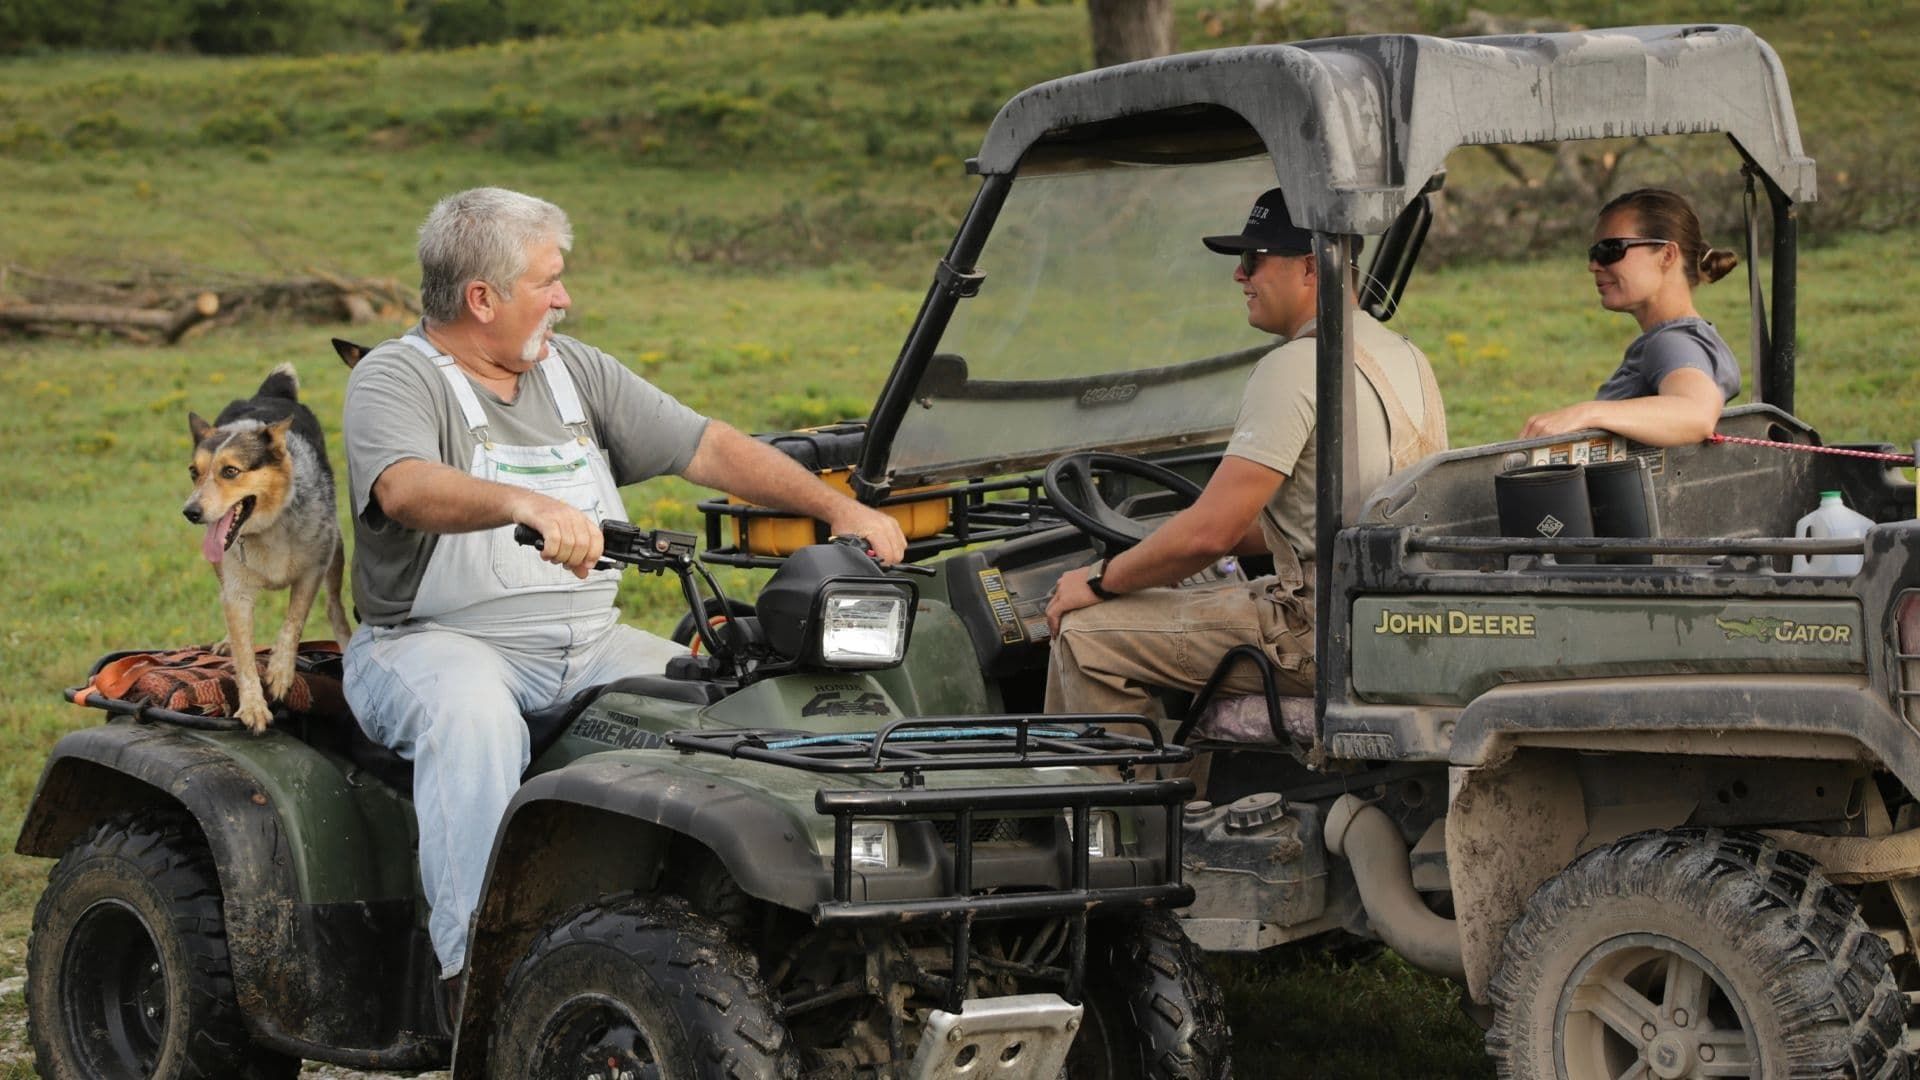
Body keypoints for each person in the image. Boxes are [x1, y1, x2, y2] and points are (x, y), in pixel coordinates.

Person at [340, 187, 907, 1013]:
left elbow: (707, 446)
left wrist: (838, 509)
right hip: (434, 645)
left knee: (730, 701)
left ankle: (741, 939)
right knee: (471, 720)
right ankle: (475, 983)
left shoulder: (575, 373)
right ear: (482, 298)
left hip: (591, 643)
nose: (565, 298)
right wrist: (519, 504)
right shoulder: (397, 377)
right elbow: (402, 487)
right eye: (549, 281)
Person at [1043, 187, 1446, 737]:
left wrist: (1098, 579)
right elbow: (1327, 514)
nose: (1240, 275)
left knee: (1086, 633)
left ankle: (1125, 819)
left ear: (1310, 268)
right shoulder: (1403, 354)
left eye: (1253, 260)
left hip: (1315, 631)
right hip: (1387, 616)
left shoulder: (1297, 367)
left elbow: (1210, 533)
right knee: (1176, 587)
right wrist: (1176, 545)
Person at [1521, 188, 1741, 446]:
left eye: (1611, 250)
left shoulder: (1672, 342)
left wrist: (1585, 412)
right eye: (1594, 254)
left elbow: (1695, 415)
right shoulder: (1693, 337)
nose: (1594, 266)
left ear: (1667, 255)